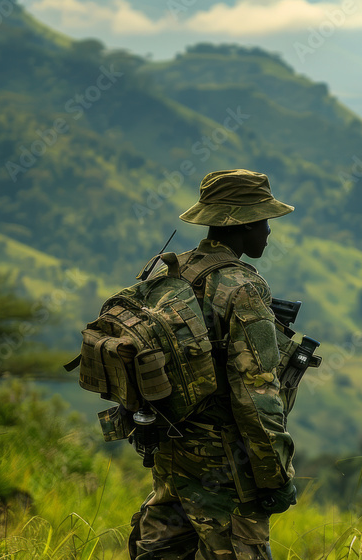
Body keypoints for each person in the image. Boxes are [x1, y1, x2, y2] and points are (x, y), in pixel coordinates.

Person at [129, 169, 298, 559]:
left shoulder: (169, 272)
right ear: (246, 222)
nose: (269, 232)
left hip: (171, 452)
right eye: (265, 221)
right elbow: (257, 397)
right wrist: (276, 476)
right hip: (227, 468)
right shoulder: (242, 287)